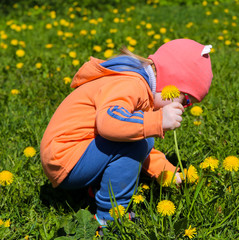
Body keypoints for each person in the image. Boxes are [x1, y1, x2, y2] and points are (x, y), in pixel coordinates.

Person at [40, 39, 213, 225]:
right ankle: (109, 218)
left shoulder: (137, 83)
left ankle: (97, 188)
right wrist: (157, 121)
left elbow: (129, 143)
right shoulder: (131, 84)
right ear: (172, 81)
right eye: (185, 100)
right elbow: (110, 123)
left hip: (70, 156)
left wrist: (168, 173)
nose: (183, 108)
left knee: (137, 138)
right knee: (139, 141)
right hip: (66, 159)